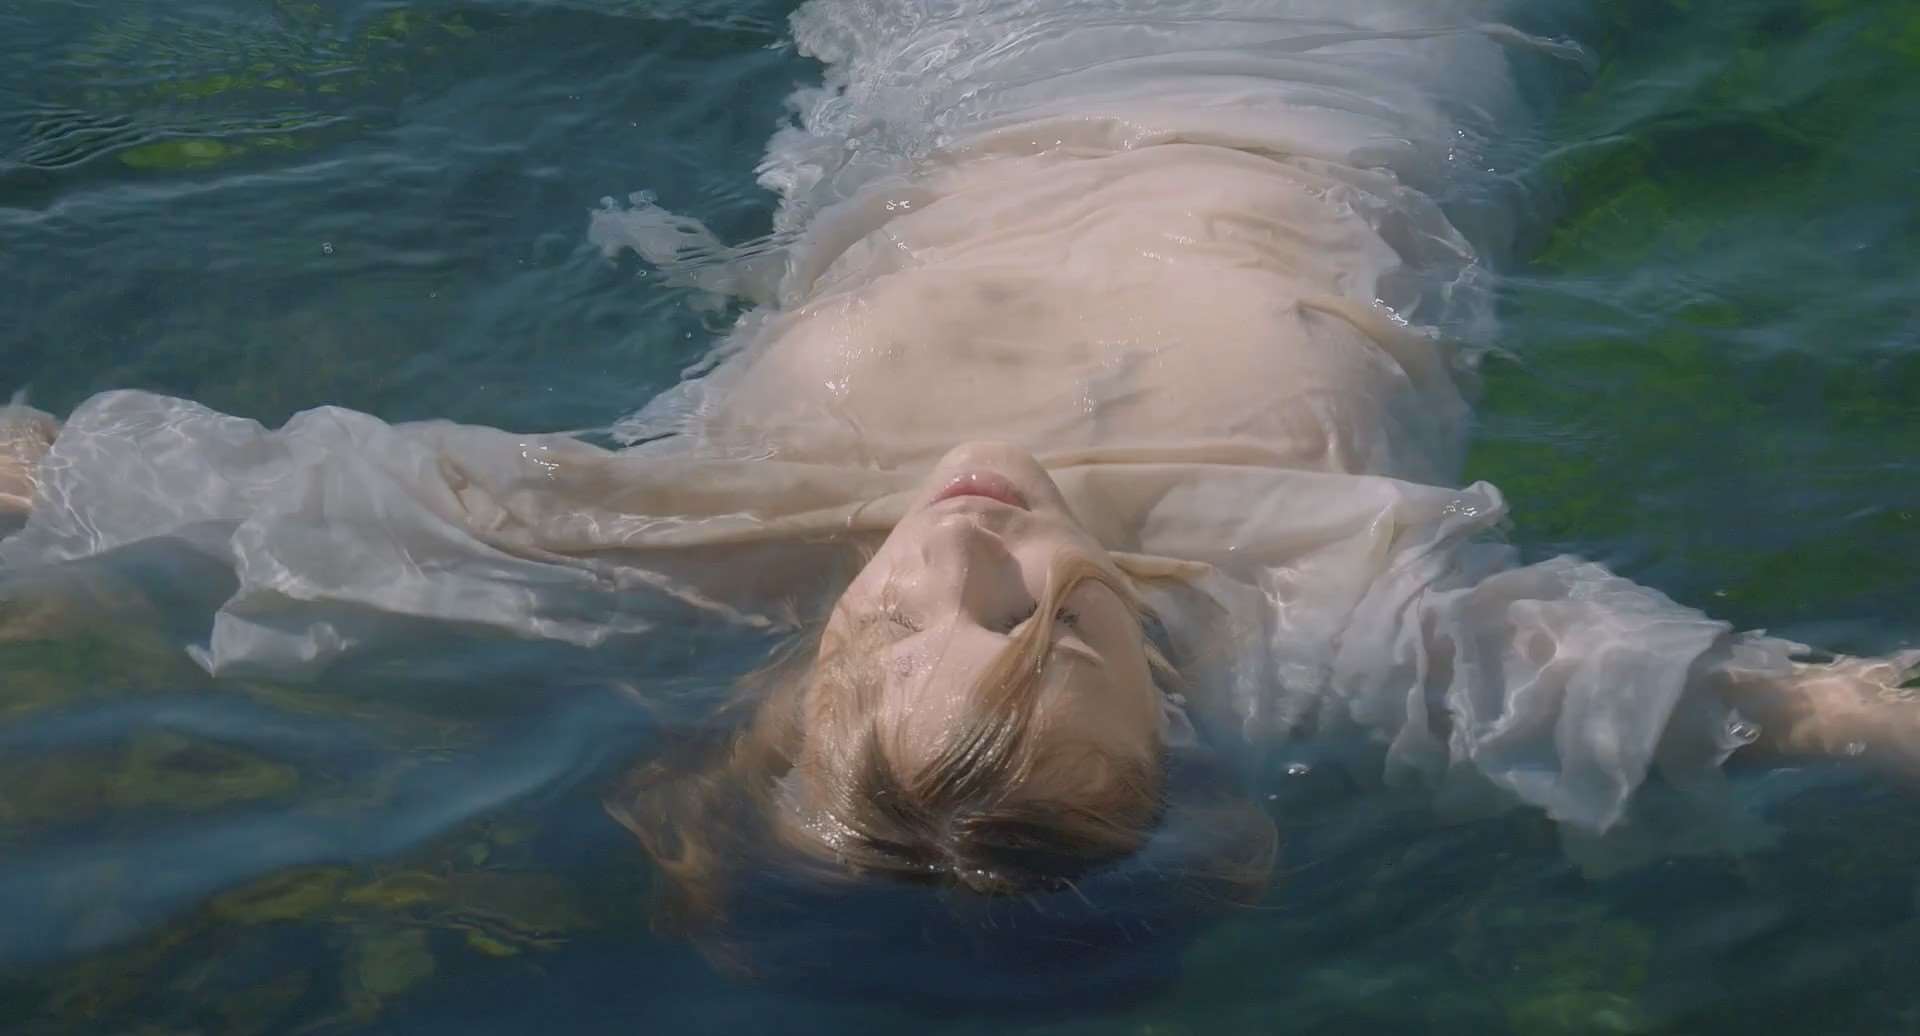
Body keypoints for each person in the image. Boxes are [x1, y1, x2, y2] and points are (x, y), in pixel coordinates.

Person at [2, 0, 1915, 987]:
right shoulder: (1300, 629)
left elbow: (287, 517)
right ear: (1173, 719)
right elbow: (1644, 697)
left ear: (779, 699)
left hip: (963, 50)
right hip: (1353, 55)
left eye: (889, 625)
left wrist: (42, 483)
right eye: (1066, 624)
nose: (965, 534)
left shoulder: (685, 557)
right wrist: (1851, 719)